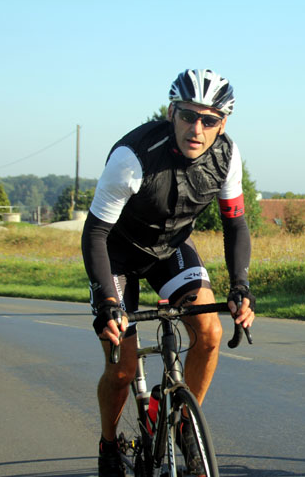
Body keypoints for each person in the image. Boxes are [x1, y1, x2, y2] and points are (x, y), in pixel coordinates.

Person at [81, 69, 256, 476]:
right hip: (118, 254)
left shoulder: (227, 155)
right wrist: (108, 301)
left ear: (222, 123)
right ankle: (109, 444)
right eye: (187, 116)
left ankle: (184, 427)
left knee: (210, 332)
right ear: (171, 111)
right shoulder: (133, 157)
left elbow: (236, 225)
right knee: (122, 368)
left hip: (170, 249)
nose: (197, 128)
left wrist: (241, 287)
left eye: (209, 119)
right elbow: (95, 233)